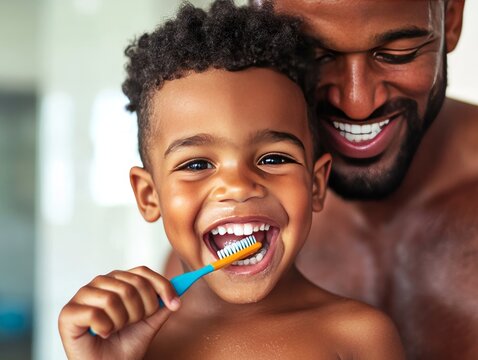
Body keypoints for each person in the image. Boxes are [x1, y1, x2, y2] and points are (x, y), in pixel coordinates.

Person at [58, 1, 406, 359]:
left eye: (273, 158)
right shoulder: (129, 343)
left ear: (315, 183)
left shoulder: (358, 338)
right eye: (196, 165)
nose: (239, 186)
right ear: (149, 196)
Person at [246, 1, 477, 359]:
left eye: (397, 54)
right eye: (313, 55)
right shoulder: (231, 229)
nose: (357, 103)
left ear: (450, 19)